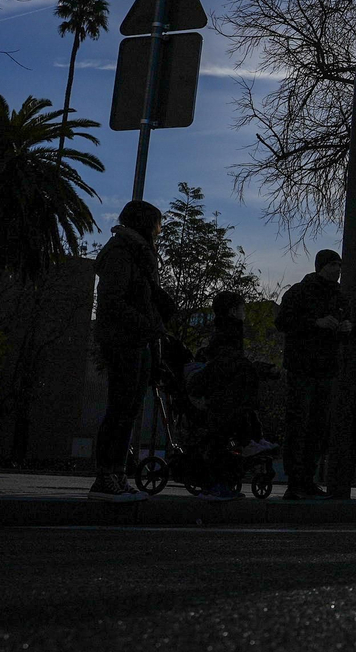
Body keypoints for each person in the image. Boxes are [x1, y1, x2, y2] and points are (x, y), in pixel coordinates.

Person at [89, 200, 173, 502]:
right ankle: (106, 476)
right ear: (145, 224)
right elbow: (113, 302)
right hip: (124, 340)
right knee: (120, 409)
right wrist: (146, 324)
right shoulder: (122, 253)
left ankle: (117, 474)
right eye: (157, 224)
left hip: (139, 339)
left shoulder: (139, 255)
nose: (160, 230)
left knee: (129, 409)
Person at [275, 250, 354, 501]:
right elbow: (283, 321)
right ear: (322, 266)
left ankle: (306, 480)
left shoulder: (340, 297)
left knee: (318, 427)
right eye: (333, 264)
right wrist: (316, 323)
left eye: (340, 264)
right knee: (300, 425)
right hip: (303, 368)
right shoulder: (300, 292)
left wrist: (345, 328)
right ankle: (295, 481)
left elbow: (346, 328)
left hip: (326, 368)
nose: (338, 269)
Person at [190, 290, 276, 501]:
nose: (244, 312)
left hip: (224, 396)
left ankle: (219, 483)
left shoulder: (223, 332)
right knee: (219, 440)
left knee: (220, 438)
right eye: (242, 308)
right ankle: (215, 486)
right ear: (233, 310)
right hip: (225, 396)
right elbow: (229, 363)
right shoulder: (230, 333)